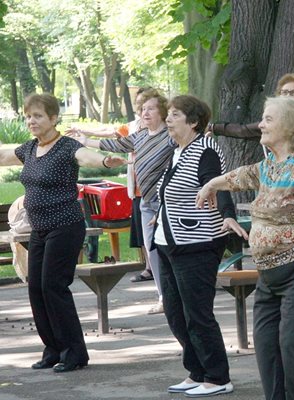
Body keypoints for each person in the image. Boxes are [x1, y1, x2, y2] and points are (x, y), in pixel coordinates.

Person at [196, 96, 294, 399]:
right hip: (270, 274)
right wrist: (212, 184)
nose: (260, 124)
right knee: (267, 348)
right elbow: (239, 176)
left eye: (268, 119)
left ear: (289, 127)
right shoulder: (269, 166)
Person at [0, 94, 125, 373]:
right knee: (36, 289)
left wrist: (106, 162)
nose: (32, 121)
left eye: (38, 116)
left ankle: (74, 353)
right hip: (39, 228)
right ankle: (53, 349)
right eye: (28, 116)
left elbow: (86, 156)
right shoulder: (30, 149)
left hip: (65, 226)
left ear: (54, 119)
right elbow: (3, 156)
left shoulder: (66, 146)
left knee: (53, 287)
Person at [153, 95, 237, 397]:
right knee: (176, 313)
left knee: (197, 314)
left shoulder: (205, 150)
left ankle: (218, 377)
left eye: (175, 115)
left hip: (197, 244)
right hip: (169, 243)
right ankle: (197, 370)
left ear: (193, 121)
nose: (168, 119)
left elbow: (217, 184)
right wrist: (161, 218)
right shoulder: (178, 151)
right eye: (169, 114)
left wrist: (228, 215)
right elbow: (174, 194)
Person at [69, 88, 175, 315]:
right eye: (143, 109)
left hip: (168, 203)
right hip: (147, 203)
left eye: (151, 109)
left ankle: (180, 295)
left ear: (162, 111)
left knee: (173, 251)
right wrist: (86, 141)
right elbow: (115, 145)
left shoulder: (171, 136)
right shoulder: (140, 136)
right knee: (153, 250)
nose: (145, 113)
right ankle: (164, 297)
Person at [208, 73, 294, 159]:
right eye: (285, 92)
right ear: (279, 95)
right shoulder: (271, 118)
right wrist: (213, 127)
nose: (289, 96)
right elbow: (243, 130)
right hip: (276, 169)